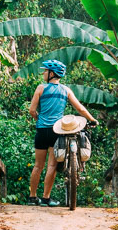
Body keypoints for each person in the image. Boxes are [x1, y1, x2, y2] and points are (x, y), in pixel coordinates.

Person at [27, 60, 98, 206]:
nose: (43, 73)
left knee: (37, 166)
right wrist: (92, 119)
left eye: (45, 71)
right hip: (56, 131)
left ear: (51, 74)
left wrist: (39, 119)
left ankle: (32, 197)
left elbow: (32, 110)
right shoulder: (66, 90)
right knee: (51, 166)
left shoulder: (40, 88)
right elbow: (80, 109)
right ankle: (46, 198)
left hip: (41, 131)